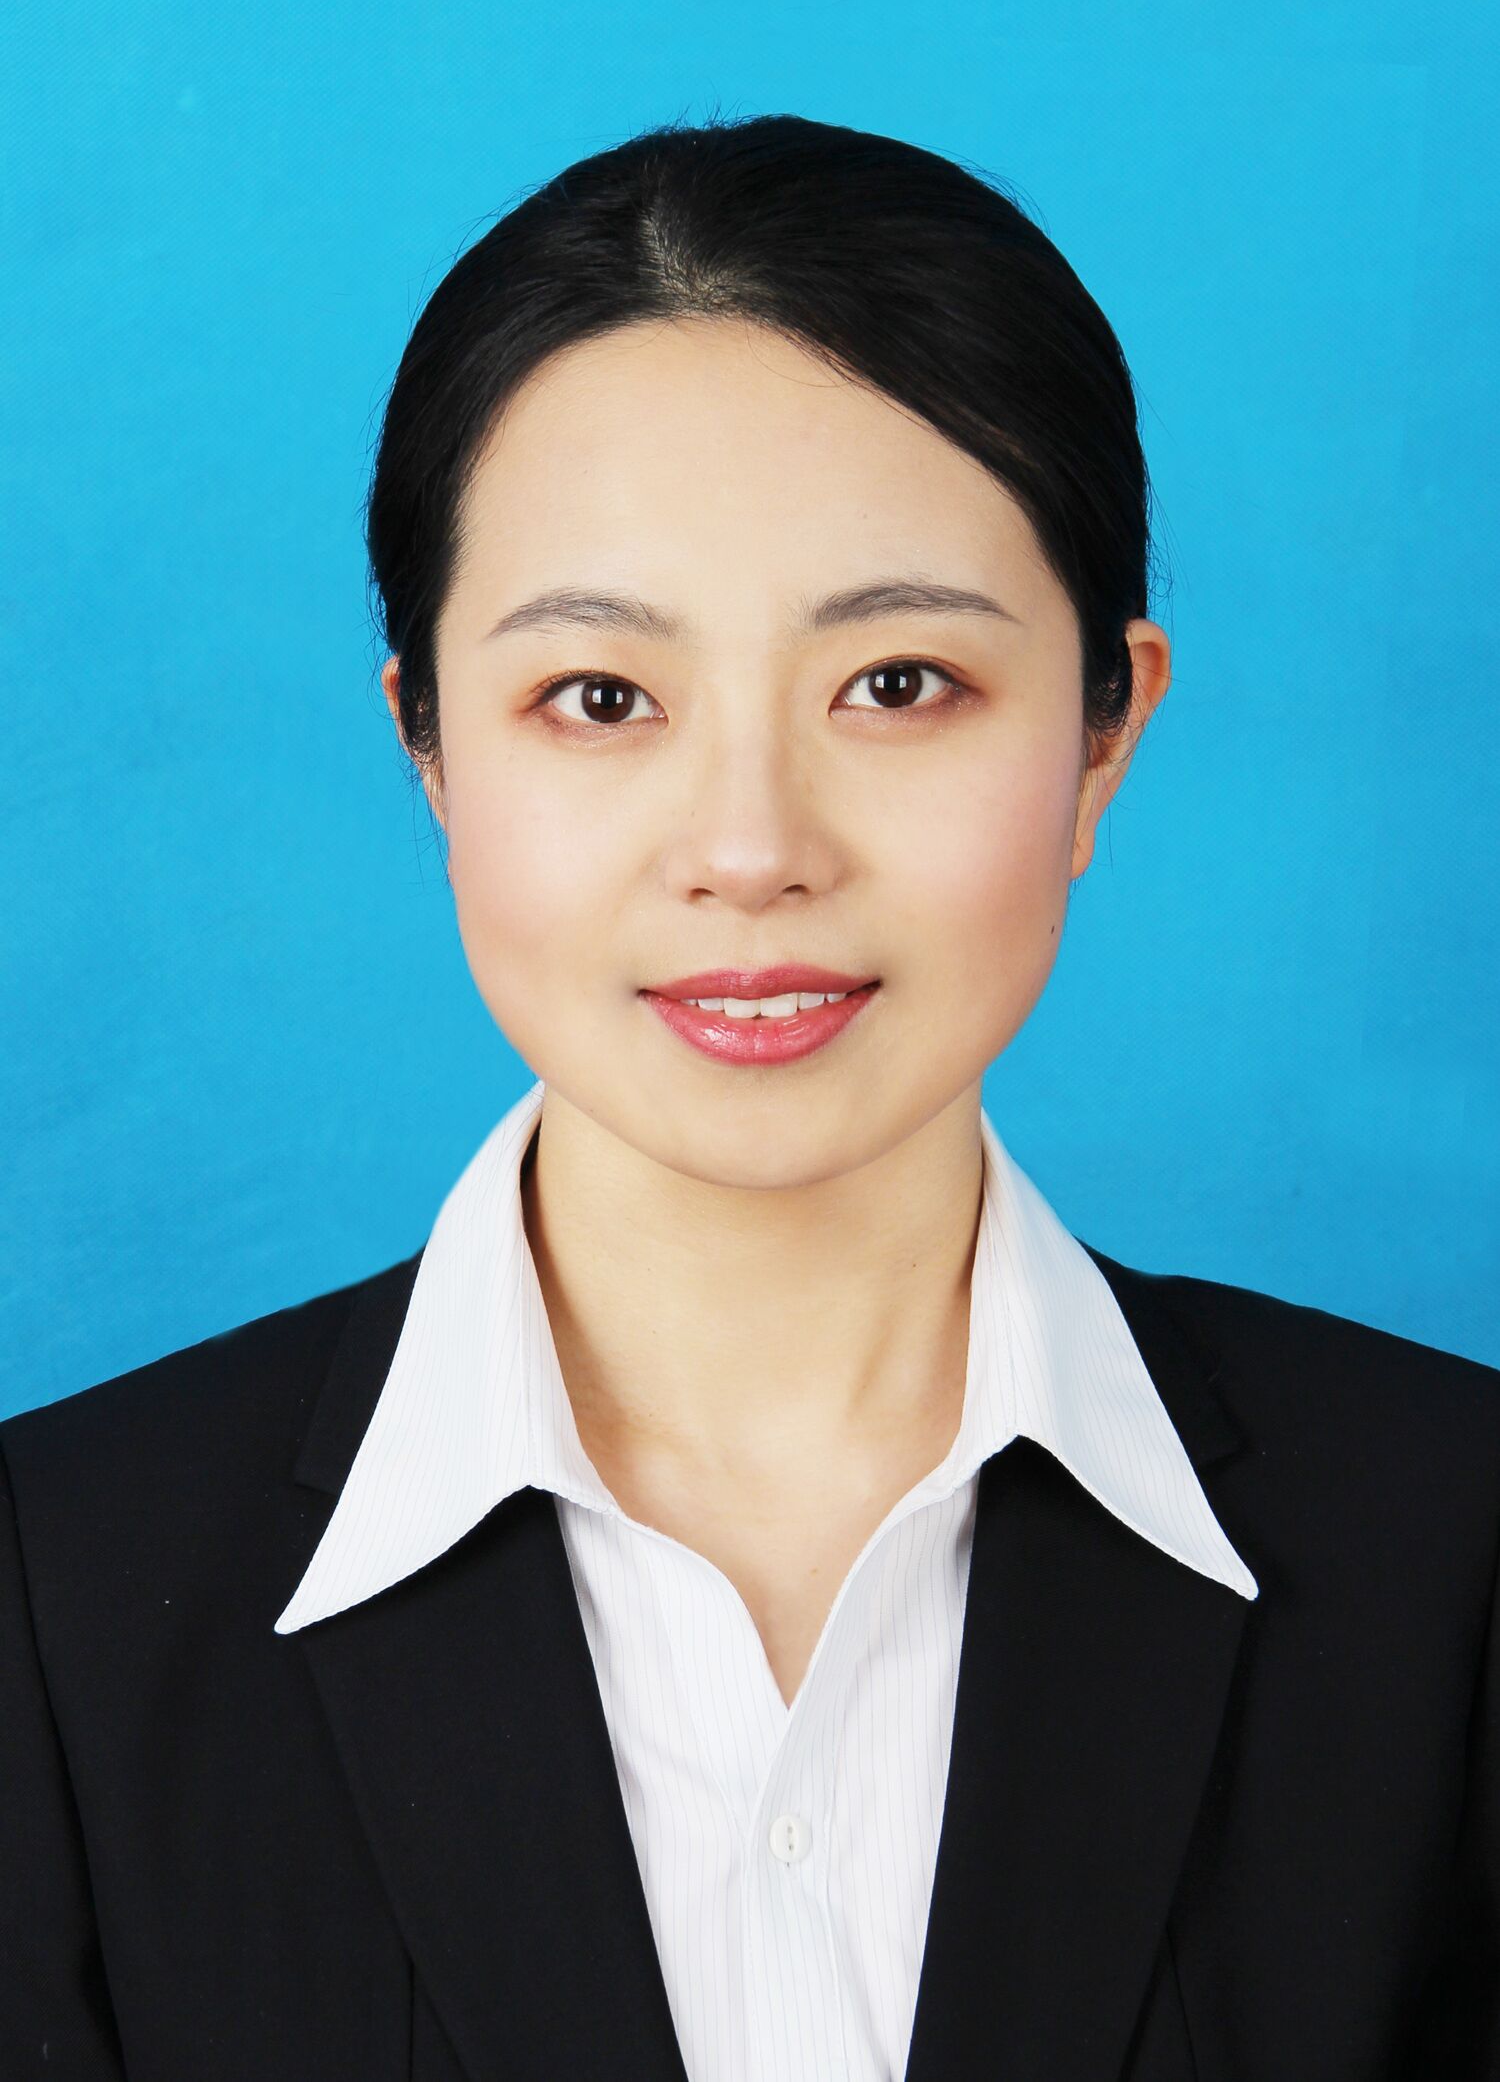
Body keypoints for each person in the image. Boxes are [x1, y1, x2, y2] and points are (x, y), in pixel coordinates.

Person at [2, 112, 1495, 2082]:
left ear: (1105, 734)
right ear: (429, 748)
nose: (751, 849)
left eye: (899, 685)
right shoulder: (50, 1597)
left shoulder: (1455, 1556)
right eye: (600, 699)